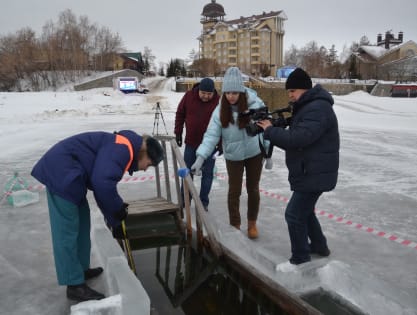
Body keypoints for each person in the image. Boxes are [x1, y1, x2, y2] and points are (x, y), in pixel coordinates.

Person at [31, 130, 164, 301]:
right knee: (67, 231)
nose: (146, 168)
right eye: (150, 163)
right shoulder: (122, 149)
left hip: (74, 175)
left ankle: (80, 270)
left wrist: (115, 219)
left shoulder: (125, 148)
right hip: (62, 173)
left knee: (82, 222)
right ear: (144, 153)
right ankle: (74, 285)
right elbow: (102, 184)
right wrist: (117, 212)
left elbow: (102, 186)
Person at [257, 68, 340, 265]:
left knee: (294, 215)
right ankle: (320, 246)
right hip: (310, 170)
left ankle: (300, 258)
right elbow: (299, 128)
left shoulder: (317, 108)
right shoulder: (308, 106)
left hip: (313, 172)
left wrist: (269, 130)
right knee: (306, 211)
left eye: (292, 91)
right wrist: (278, 124)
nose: (290, 95)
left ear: (304, 89)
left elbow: (298, 138)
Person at [191, 67, 270, 239]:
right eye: (227, 92)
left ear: (241, 91)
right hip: (233, 156)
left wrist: (268, 152)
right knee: (234, 190)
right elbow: (211, 135)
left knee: (253, 189)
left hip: (254, 153)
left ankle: (252, 224)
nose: (231, 96)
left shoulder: (256, 104)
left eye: (235, 92)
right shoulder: (220, 110)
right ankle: (235, 224)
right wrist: (201, 157)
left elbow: (266, 129)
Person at [174, 77, 220, 211]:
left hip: (211, 146)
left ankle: (203, 201)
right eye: (203, 93)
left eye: (209, 94)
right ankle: (185, 199)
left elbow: (223, 123)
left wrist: (221, 145)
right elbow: (180, 114)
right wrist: (178, 132)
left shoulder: (218, 101)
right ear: (199, 90)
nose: (206, 96)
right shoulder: (189, 96)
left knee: (208, 174)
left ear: (213, 93)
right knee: (188, 172)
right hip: (191, 143)